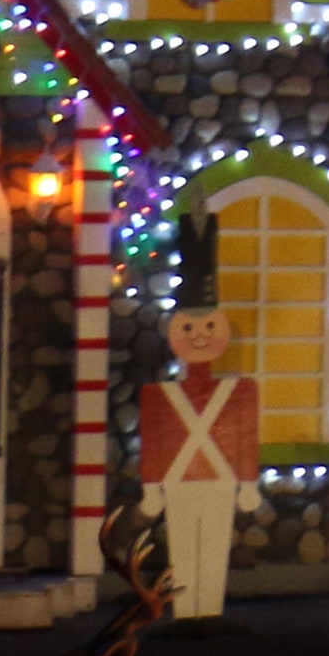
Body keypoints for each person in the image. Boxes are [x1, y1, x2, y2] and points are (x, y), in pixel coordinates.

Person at [137, 215, 263, 623]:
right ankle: (186, 610)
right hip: (178, 480)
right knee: (182, 546)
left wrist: (248, 481)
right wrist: (152, 485)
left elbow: (245, 436)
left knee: (213, 544)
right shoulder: (158, 396)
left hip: (220, 478)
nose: (199, 336)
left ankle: (208, 610)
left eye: (208, 326)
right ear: (176, 331)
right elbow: (154, 441)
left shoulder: (240, 392)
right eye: (189, 327)